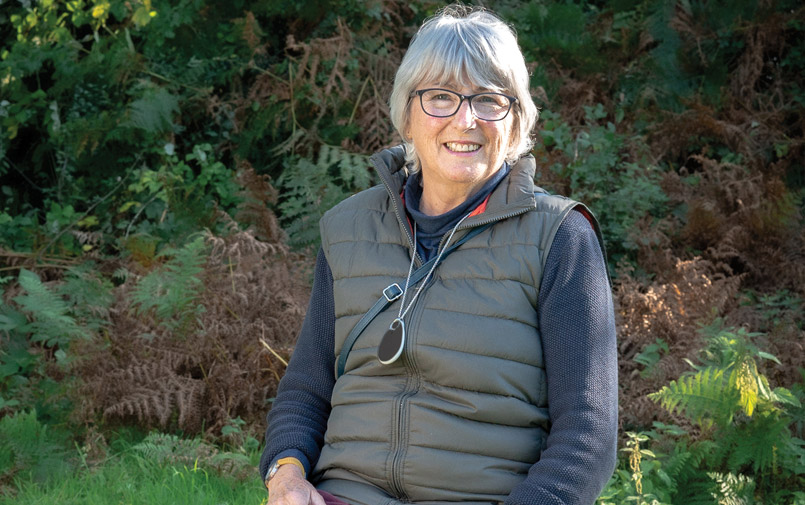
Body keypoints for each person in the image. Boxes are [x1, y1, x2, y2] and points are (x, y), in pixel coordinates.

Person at [260, 5, 618, 505]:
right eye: (442, 97)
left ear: (515, 122)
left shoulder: (560, 237)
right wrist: (287, 479)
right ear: (408, 113)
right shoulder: (348, 228)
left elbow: (588, 440)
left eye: (489, 101)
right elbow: (304, 392)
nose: (465, 120)